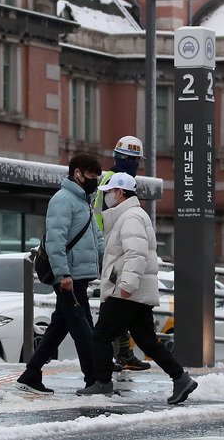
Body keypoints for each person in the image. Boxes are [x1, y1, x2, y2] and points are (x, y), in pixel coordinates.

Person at [77, 173, 197, 405]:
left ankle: (102, 383)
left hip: (127, 291)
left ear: (120, 193)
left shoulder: (130, 217)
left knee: (100, 336)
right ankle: (180, 378)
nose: (107, 197)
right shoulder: (130, 215)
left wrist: (126, 286)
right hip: (135, 292)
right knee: (146, 340)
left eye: (110, 192)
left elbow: (136, 254)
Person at [16, 153, 104, 394]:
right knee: (84, 331)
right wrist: (63, 274)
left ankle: (31, 373)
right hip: (68, 279)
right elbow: (55, 241)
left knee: (59, 328)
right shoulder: (63, 200)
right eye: (91, 175)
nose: (95, 180)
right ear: (77, 173)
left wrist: (105, 262)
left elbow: (96, 238)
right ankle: (93, 380)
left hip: (78, 277)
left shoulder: (84, 201)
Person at [92, 135, 151, 372]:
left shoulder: (114, 180)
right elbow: (110, 218)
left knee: (116, 306)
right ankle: (114, 355)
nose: (133, 164)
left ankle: (122, 353)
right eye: (132, 159)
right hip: (109, 249)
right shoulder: (114, 182)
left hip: (110, 248)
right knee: (114, 306)